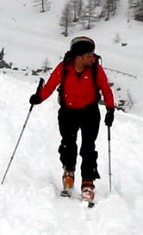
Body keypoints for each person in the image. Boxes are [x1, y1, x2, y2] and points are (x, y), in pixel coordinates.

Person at [30, 35, 116, 202]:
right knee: (68, 143)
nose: (93, 57)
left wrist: (110, 110)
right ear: (79, 57)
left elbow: (106, 90)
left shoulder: (96, 70)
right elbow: (50, 86)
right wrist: (38, 98)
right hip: (68, 112)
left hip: (90, 112)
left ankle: (88, 183)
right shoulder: (63, 68)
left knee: (88, 147)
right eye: (89, 55)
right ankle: (68, 171)